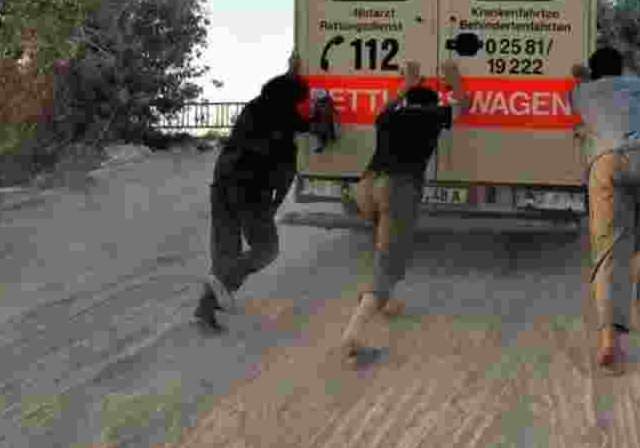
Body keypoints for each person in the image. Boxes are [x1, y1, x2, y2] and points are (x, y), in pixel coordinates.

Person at [336, 59, 468, 361]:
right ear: (431, 103)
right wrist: (454, 78)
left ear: (407, 101)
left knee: (383, 243)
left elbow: (384, 109)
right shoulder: (433, 114)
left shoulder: (389, 117)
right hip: (397, 190)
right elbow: (464, 104)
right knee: (390, 260)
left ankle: (384, 298)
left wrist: (405, 85)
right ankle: (352, 336)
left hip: (366, 188)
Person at [569, 46, 640, 373]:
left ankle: (609, 339)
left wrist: (581, 77)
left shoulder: (581, 93)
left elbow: (582, 91)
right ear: (622, 68)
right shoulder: (637, 86)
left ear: (594, 73)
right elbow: (622, 88)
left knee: (609, 249)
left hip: (608, 161)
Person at [194, 53, 313, 332]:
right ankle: (220, 283)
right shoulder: (285, 124)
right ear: (293, 102)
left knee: (226, 249)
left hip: (222, 180)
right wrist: (272, 208)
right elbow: (285, 175)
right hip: (250, 188)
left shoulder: (256, 106)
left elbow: (285, 96)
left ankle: (206, 309)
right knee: (267, 249)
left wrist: (291, 71)